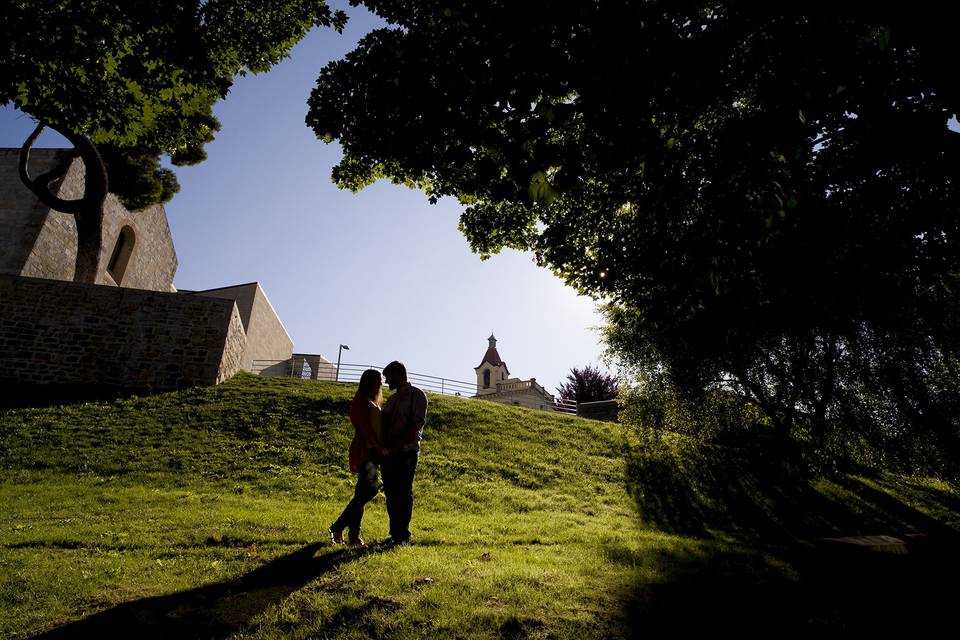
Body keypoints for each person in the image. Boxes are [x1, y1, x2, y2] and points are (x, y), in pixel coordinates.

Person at [329, 368, 387, 547]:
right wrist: (377, 445)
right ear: (368, 381)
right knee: (370, 491)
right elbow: (364, 426)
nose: (380, 383)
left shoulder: (372, 401)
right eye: (377, 380)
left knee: (362, 494)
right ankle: (337, 526)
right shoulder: (361, 400)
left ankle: (354, 537)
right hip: (365, 450)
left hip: (373, 452)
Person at [380, 360, 427, 544]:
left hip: (407, 452)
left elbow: (415, 427)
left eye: (388, 377)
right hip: (389, 454)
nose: (386, 381)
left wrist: (395, 446)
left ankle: (403, 535)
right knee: (391, 493)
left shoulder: (417, 395)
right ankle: (394, 534)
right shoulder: (391, 400)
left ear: (398, 375)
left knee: (403, 492)